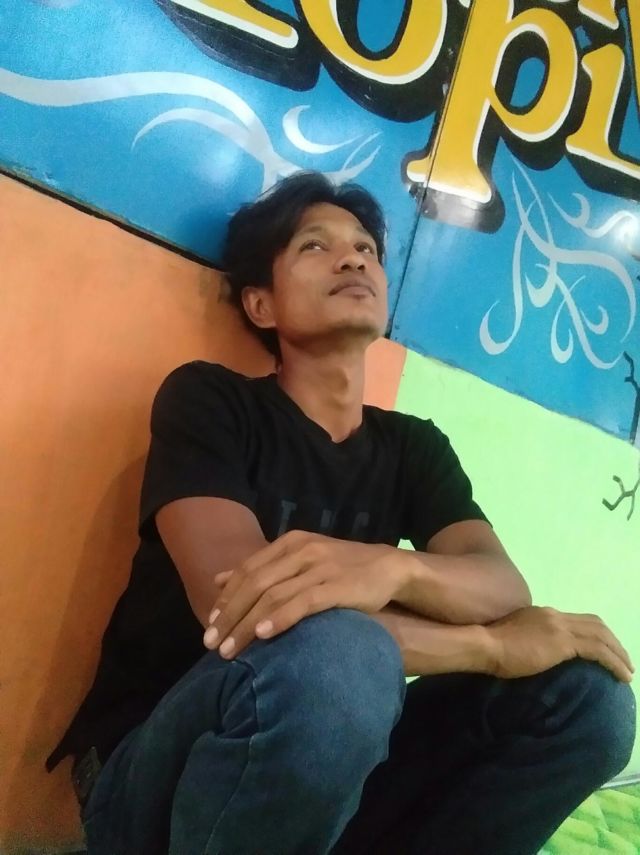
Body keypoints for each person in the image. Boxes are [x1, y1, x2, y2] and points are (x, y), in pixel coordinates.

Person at [47, 171, 636, 855]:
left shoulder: (413, 447)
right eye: (315, 246)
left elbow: (501, 586)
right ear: (261, 305)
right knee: (342, 657)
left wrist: (391, 568)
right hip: (154, 772)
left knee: (585, 698)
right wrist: (489, 648)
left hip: (329, 766)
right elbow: (242, 612)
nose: (353, 259)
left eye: (365, 248)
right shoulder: (211, 403)